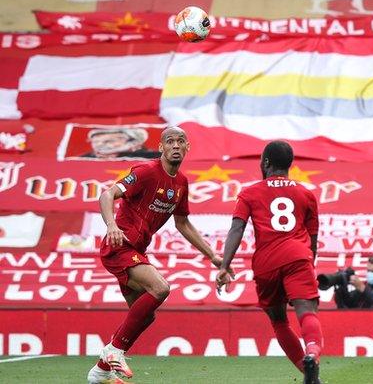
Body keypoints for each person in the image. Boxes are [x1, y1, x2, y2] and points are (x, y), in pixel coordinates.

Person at [88, 126, 221, 384]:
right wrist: (111, 226)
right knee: (160, 288)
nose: (175, 145)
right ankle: (113, 351)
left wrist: (213, 256)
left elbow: (182, 224)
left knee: (145, 315)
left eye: (180, 141)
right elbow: (107, 194)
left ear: (187, 148)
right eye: (169, 141)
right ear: (160, 147)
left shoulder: (181, 182)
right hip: (119, 246)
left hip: (136, 250)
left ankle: (100, 371)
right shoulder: (146, 172)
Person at [216, 141, 323, 384]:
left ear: (265, 163)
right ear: (290, 164)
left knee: (278, 320)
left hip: (266, 261)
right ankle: (312, 354)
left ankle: (311, 377)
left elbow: (237, 229)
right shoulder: (306, 194)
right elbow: (313, 238)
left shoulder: (249, 193)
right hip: (298, 256)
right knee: (307, 311)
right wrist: (309, 265)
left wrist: (224, 266)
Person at [80, 127, 158, 159]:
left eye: (109, 141)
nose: (99, 145)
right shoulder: (84, 159)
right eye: (96, 142)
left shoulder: (152, 157)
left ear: (133, 142)